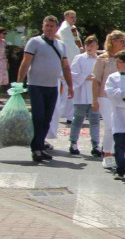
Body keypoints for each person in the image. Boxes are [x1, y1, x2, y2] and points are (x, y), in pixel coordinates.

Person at [18, 16, 73, 162]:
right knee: (38, 117)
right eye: (47, 25)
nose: (49, 28)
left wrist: (70, 86)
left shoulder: (61, 45)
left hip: (52, 86)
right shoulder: (34, 42)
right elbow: (25, 63)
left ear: (56, 28)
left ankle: (40, 145)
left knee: (47, 118)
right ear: (43, 27)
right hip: (36, 85)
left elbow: (66, 67)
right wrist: (19, 83)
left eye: (52, 26)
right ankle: (35, 148)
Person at [92, 31, 125, 169]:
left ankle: (113, 153)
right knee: (109, 125)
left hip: (120, 97)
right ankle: (107, 154)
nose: (123, 43)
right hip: (105, 96)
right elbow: (96, 80)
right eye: (121, 40)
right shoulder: (103, 59)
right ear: (112, 41)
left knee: (118, 126)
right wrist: (94, 100)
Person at [68, 35, 102, 157]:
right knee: (78, 119)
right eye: (87, 45)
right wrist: (87, 77)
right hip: (81, 94)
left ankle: (95, 145)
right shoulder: (79, 58)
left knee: (94, 120)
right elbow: (73, 74)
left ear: (97, 47)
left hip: (94, 96)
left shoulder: (99, 60)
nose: (89, 47)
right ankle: (73, 143)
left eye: (92, 45)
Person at [56, 10, 82, 123]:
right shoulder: (64, 29)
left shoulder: (73, 28)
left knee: (71, 90)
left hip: (74, 62)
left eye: (75, 17)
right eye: (71, 17)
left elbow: (76, 42)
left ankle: (67, 115)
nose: (74, 19)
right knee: (68, 89)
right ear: (66, 17)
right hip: (68, 64)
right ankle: (65, 114)